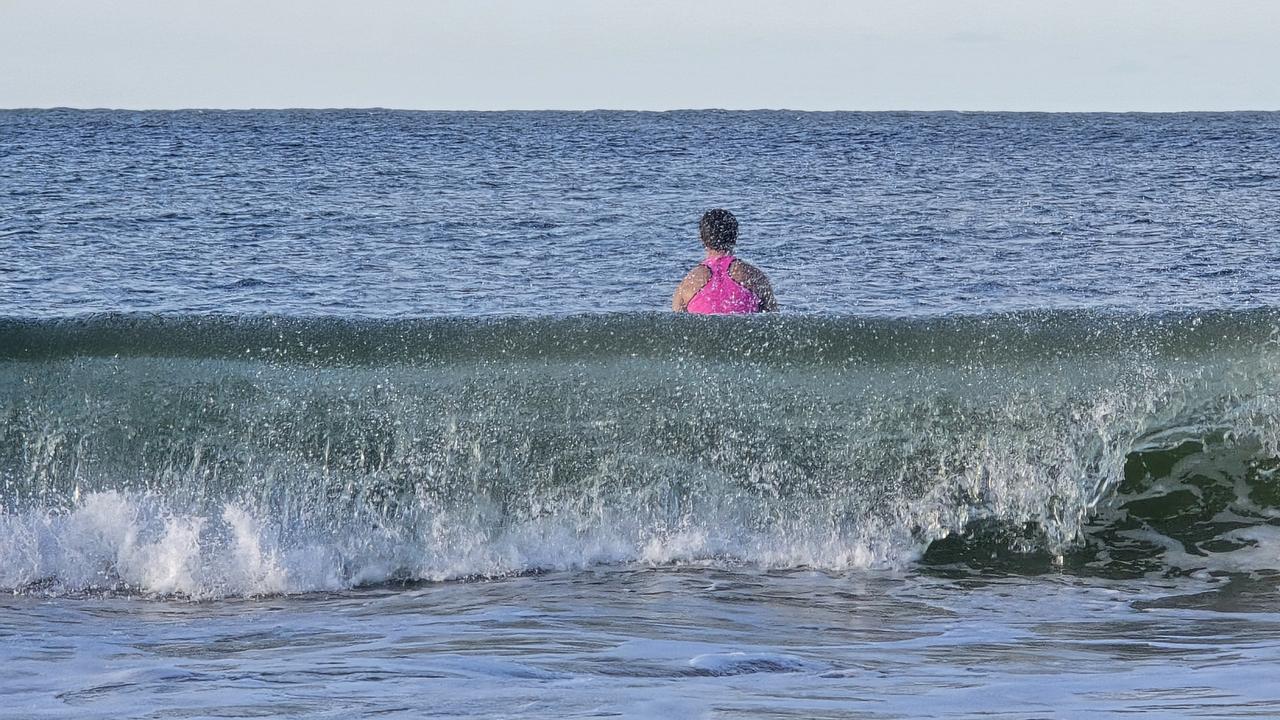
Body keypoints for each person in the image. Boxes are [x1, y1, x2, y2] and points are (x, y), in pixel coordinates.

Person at [671, 209, 777, 314]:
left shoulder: (687, 284)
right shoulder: (754, 276)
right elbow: (774, 318)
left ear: (701, 238)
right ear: (735, 237)